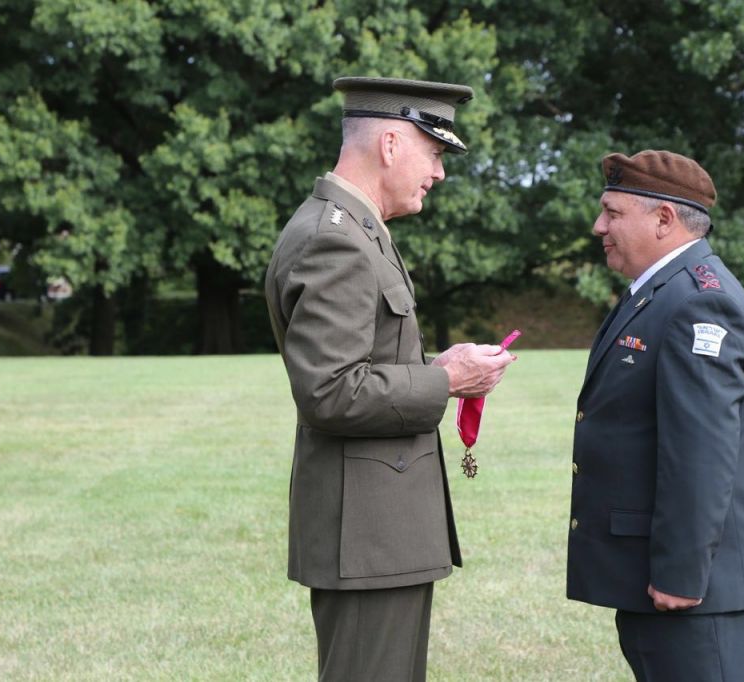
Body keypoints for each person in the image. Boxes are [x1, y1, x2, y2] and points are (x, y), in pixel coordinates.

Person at [264, 76, 516, 681]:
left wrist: (438, 370)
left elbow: (361, 366)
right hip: (366, 535)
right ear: (391, 144)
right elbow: (330, 392)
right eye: (434, 153)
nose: (439, 173)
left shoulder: (355, 228)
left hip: (375, 533)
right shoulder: (337, 240)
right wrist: (445, 381)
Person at [567, 150, 744, 681]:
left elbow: (701, 453)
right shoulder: (658, 292)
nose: (599, 227)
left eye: (612, 212)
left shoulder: (699, 302)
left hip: (694, 593)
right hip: (657, 583)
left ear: (663, 219)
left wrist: (680, 572)